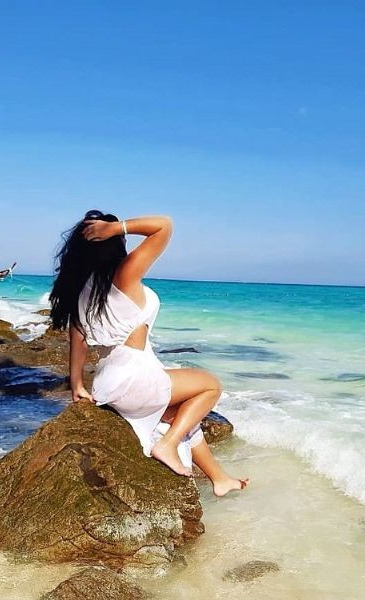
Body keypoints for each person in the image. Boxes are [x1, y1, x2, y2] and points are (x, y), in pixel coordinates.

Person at [49, 210, 248, 496]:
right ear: (113, 243)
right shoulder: (124, 275)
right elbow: (164, 226)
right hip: (136, 381)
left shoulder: (82, 289)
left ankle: (220, 479)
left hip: (110, 385)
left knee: (181, 414)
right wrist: (115, 228)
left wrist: (77, 384)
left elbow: (77, 338)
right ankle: (167, 446)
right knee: (211, 385)